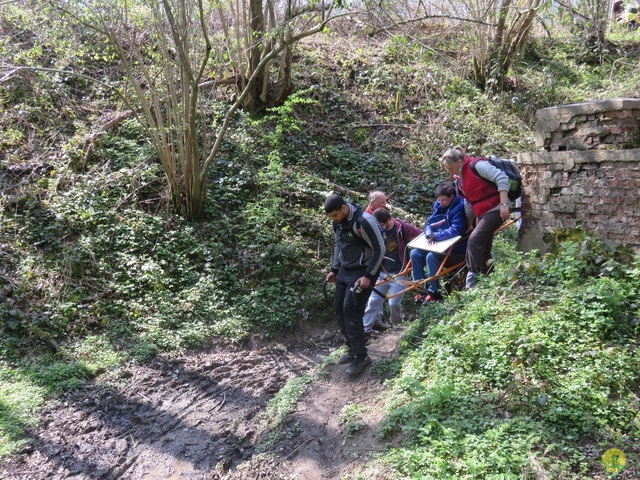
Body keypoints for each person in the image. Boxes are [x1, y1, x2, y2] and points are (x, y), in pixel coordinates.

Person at [324, 193, 386, 375]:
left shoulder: (364, 220)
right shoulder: (337, 222)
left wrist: (368, 276)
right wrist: (334, 269)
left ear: (344, 208)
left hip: (364, 270)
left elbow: (379, 248)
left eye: (335, 215)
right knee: (340, 311)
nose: (334, 220)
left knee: (351, 311)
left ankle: (362, 357)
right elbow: (338, 245)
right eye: (331, 217)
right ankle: (352, 349)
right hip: (345, 270)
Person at [439, 146, 511, 289]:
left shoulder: (477, 166)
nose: (449, 171)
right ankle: (488, 279)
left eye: (451, 167)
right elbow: (468, 201)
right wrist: (469, 224)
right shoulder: (460, 178)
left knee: (474, 241)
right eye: (447, 169)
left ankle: (473, 282)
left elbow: (502, 178)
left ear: (459, 161)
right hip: (481, 212)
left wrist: (504, 204)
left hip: (496, 208)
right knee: (483, 246)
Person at [362, 208, 422, 333]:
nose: (381, 227)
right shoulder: (376, 228)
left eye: (383, 224)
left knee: (393, 304)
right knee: (373, 302)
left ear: (389, 219)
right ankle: (365, 329)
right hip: (381, 272)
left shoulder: (402, 227)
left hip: (399, 273)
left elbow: (421, 233)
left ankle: (397, 328)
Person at [410, 182, 468, 304]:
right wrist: (429, 234)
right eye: (439, 200)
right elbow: (429, 223)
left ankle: (434, 291)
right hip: (437, 242)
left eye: (444, 200)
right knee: (415, 253)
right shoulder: (438, 205)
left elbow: (457, 229)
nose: (440, 203)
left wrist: (436, 236)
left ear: (452, 197)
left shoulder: (459, 207)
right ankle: (420, 288)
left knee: (431, 256)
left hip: (455, 247)